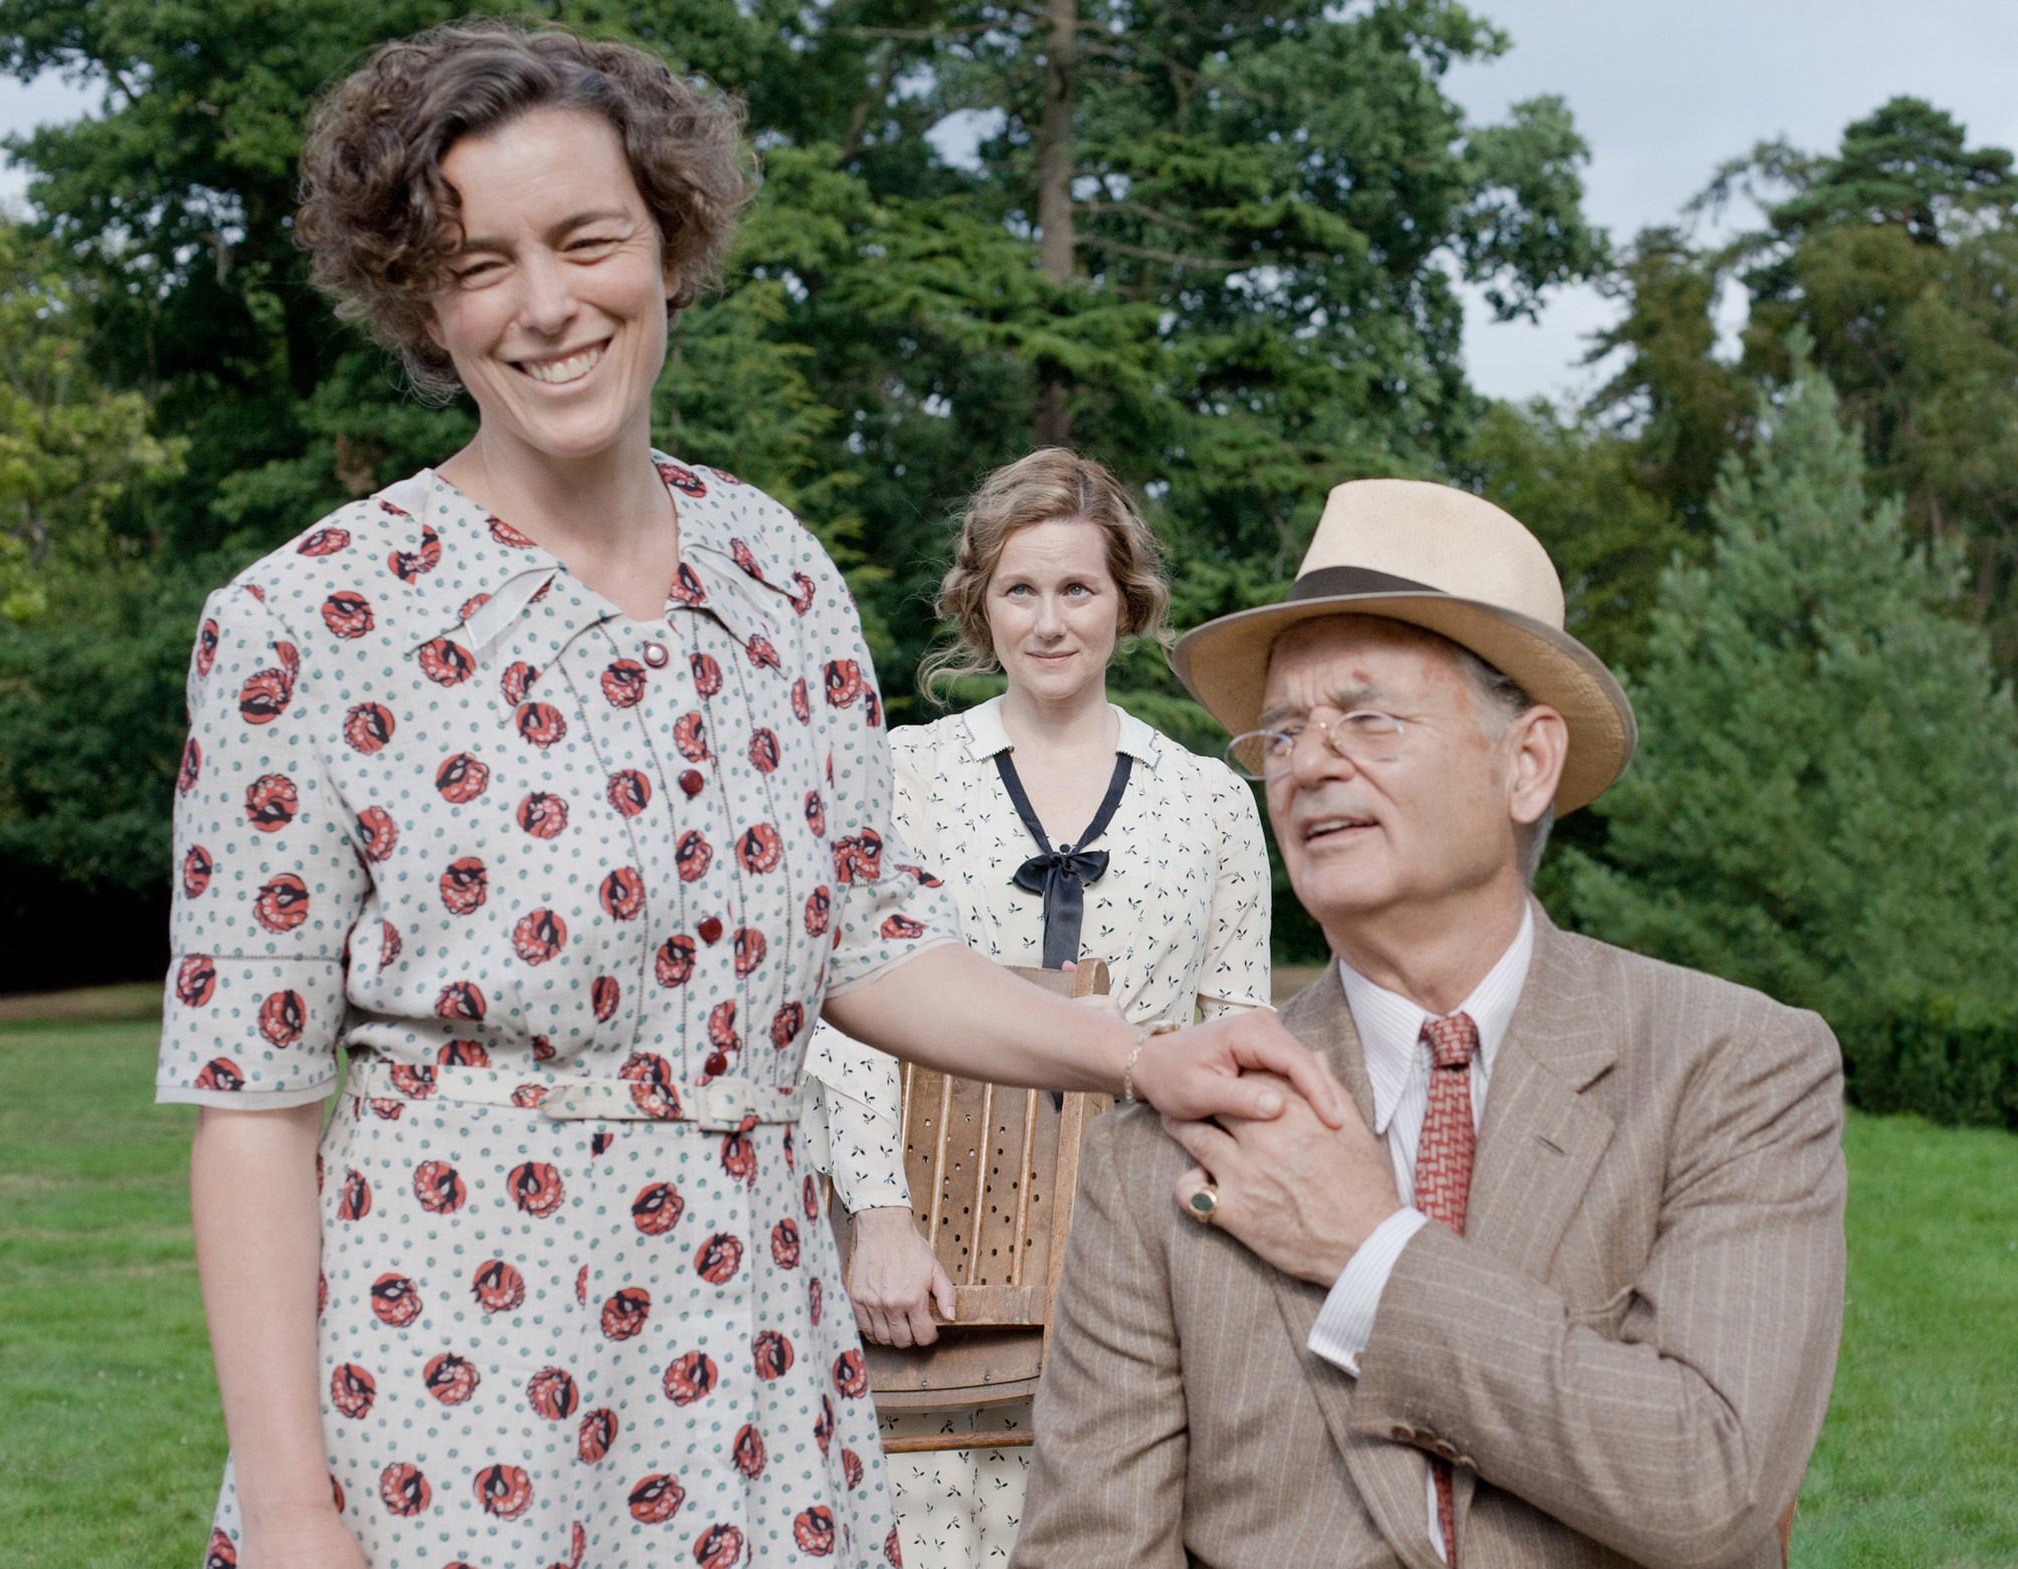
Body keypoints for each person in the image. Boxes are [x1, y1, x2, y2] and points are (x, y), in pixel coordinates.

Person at [156, 22, 1340, 1569]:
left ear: (669, 238)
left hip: (759, 1379)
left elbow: (864, 935)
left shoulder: (776, 576)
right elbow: (250, 1107)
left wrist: (1142, 1058)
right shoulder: (304, 623)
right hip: (451, 1403)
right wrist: (300, 1513)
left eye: (589, 239)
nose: (546, 306)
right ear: (415, 292)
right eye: (479, 262)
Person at [1014, 478, 1847, 1568]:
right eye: (1283, 732)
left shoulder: (1732, 1067)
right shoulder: (1163, 1147)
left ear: (1526, 762)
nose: (1308, 762)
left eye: (1365, 718)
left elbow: (1706, 1483)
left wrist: (1372, 1253)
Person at [798, 449, 1271, 1566]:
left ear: (1126, 602)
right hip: (926, 1255)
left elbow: (1235, 1037)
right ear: (978, 602)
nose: (1048, 621)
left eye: (1076, 590)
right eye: (1019, 590)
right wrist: (878, 1216)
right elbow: (843, 1007)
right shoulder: (898, 775)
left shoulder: (1206, 801)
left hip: (1134, 1250)